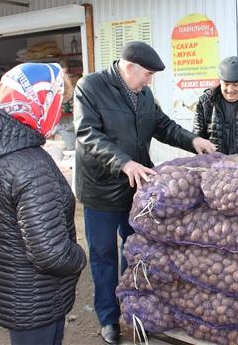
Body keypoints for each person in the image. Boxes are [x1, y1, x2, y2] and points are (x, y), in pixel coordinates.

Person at [72, 41, 216, 345]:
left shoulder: (143, 94)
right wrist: (123, 163)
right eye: (147, 74)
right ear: (129, 68)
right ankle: (108, 318)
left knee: (136, 251)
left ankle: (131, 307)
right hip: (101, 189)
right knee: (104, 255)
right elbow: (87, 134)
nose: (149, 80)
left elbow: (162, 126)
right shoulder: (90, 87)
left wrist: (193, 141)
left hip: (137, 189)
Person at [0, 63, 87, 345]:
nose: (61, 110)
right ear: (40, 103)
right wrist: (79, 257)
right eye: (58, 102)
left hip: (1, 281)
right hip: (34, 296)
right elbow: (51, 254)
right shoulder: (30, 165)